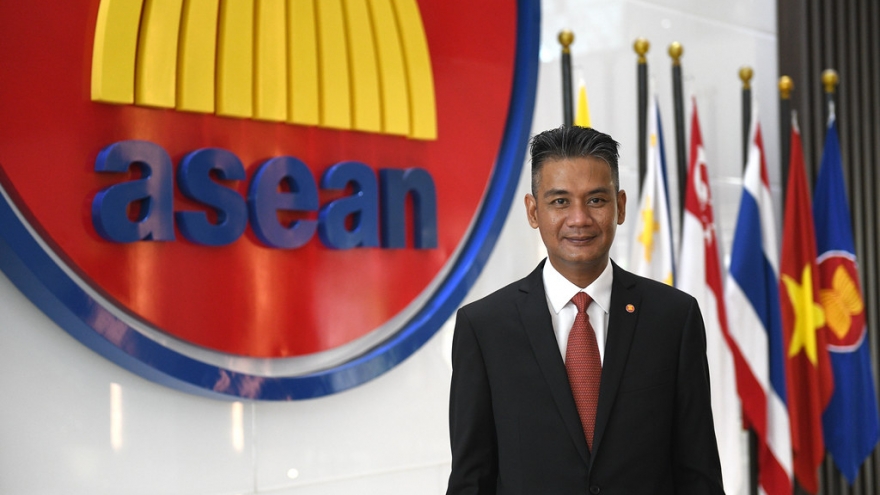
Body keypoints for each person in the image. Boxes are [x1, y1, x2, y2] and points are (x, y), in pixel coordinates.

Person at [446, 126, 724, 494]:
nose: (579, 219)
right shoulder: (484, 328)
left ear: (620, 206)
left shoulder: (674, 317)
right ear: (533, 211)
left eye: (595, 200)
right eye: (560, 201)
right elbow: (471, 479)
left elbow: (699, 473)